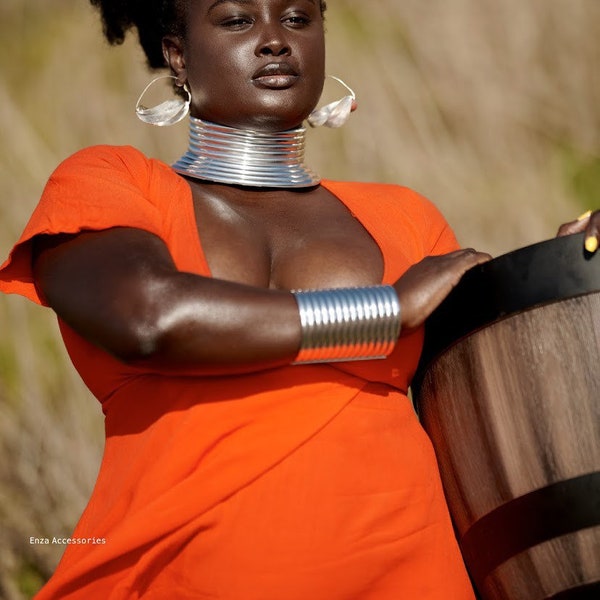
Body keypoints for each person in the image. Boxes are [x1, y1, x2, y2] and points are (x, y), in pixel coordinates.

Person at [0, 1, 598, 598]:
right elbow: (148, 317)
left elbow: (494, 406)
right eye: (237, 21)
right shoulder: (113, 182)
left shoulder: (404, 218)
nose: (274, 41)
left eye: (297, 19)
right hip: (173, 575)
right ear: (178, 54)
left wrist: (571, 275)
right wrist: (387, 311)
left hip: (406, 577)